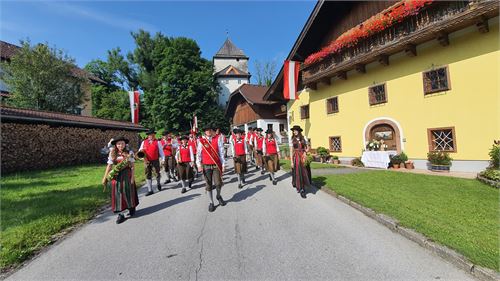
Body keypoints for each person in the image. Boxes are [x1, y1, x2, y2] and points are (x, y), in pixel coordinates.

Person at [102, 137, 139, 224]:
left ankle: (131, 207)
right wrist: (105, 177)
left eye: (122, 143)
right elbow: (109, 166)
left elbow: (132, 166)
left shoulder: (129, 153)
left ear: (125, 144)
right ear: (116, 145)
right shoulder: (113, 153)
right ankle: (121, 214)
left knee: (128, 191)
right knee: (118, 193)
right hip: (117, 175)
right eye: (118, 144)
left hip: (127, 174)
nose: (120, 145)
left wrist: (132, 178)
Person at [196, 125, 226, 212]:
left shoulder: (217, 139)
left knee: (218, 183)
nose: (208, 131)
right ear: (204, 132)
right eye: (206, 130)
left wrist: (223, 164)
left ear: (211, 131)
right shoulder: (201, 141)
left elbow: (221, 153)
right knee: (209, 185)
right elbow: (198, 154)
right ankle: (211, 202)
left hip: (216, 165)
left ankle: (218, 196)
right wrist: (198, 165)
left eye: (209, 130)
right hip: (206, 166)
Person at [139, 129, 165, 196]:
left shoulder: (157, 142)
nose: (151, 136)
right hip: (146, 160)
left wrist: (163, 159)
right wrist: (143, 158)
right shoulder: (144, 142)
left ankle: (158, 183)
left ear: (154, 135)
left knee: (157, 173)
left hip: (155, 160)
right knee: (148, 174)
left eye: (152, 135)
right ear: (148, 136)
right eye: (150, 135)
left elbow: (161, 151)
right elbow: (140, 151)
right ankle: (150, 190)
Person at [290, 125, 309, 199]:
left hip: (303, 156)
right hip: (296, 157)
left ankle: (303, 185)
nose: (294, 132)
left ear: (299, 131)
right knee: (298, 172)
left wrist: (305, 152)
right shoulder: (292, 139)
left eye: (295, 130)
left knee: (304, 172)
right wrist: (291, 161)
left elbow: (307, 148)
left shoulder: (304, 138)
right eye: (293, 131)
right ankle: (301, 189)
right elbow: (291, 151)